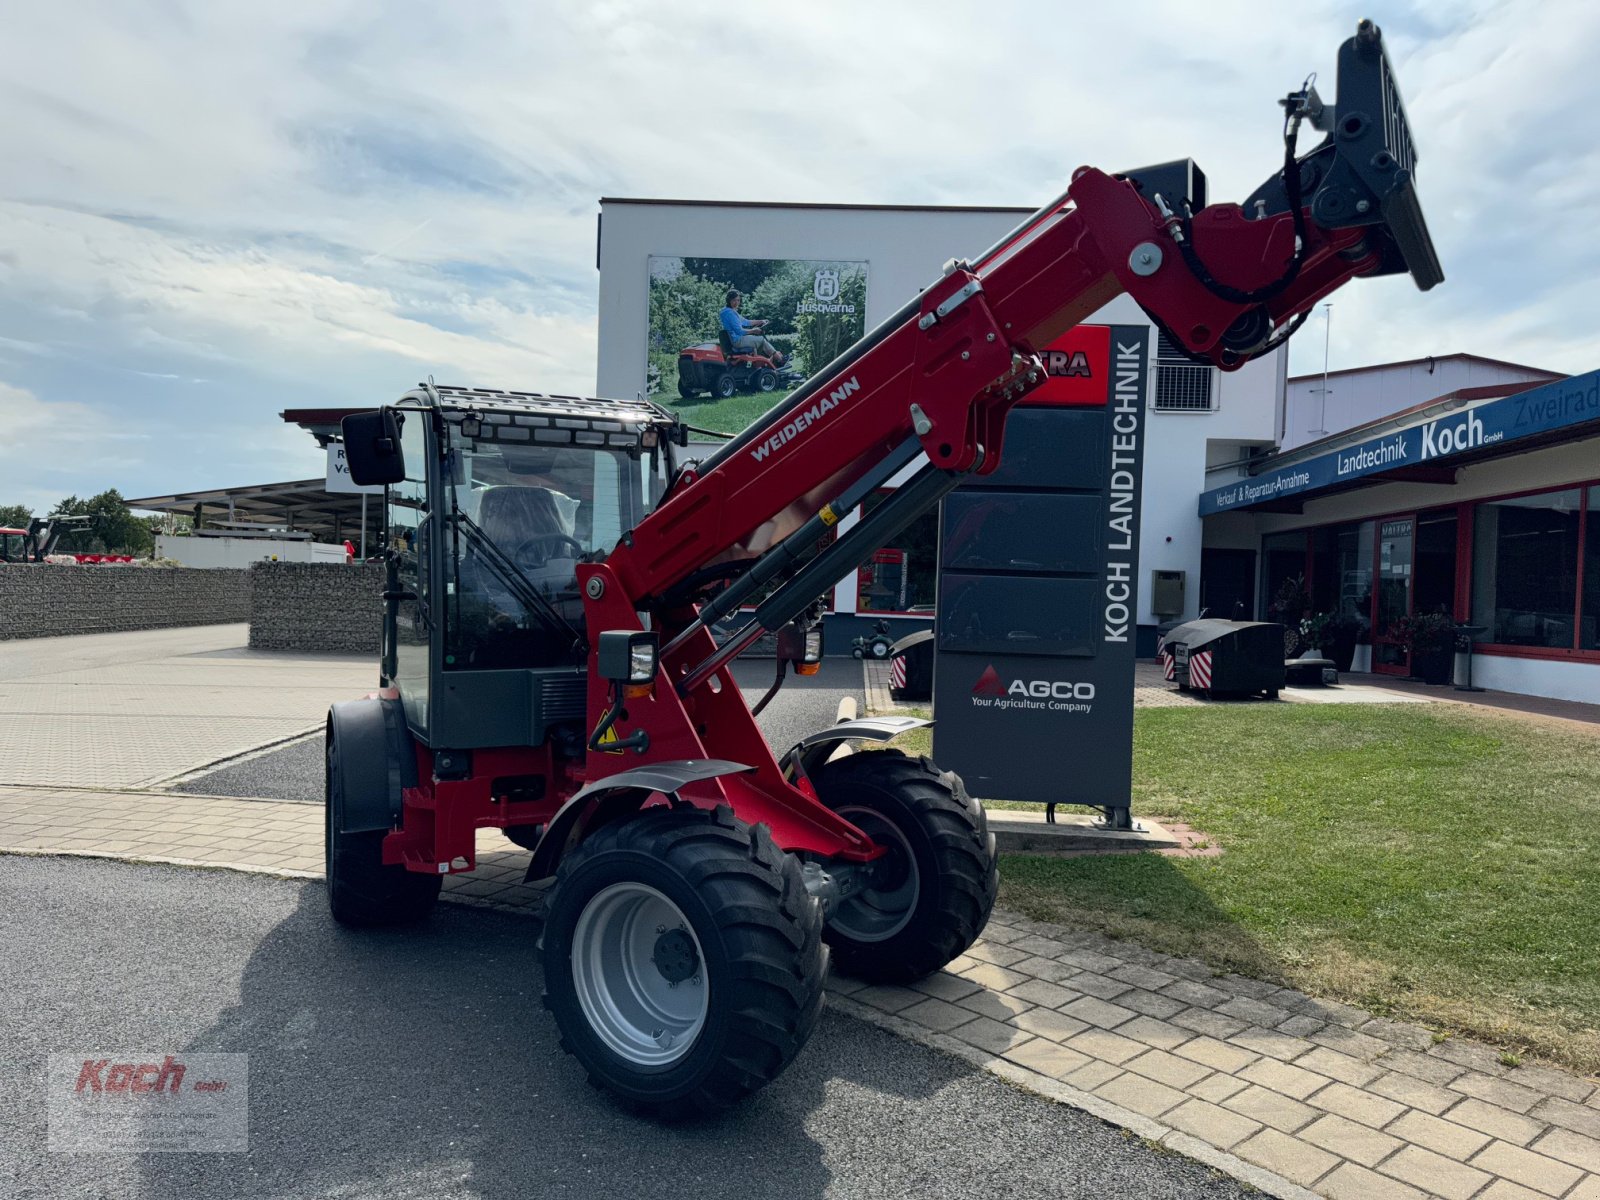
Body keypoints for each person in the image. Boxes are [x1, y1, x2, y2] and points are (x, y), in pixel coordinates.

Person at [718, 290, 787, 366]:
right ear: (729, 300)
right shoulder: (730, 313)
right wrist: (753, 330)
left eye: (738, 300)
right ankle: (779, 359)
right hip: (738, 340)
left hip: (735, 340)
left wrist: (760, 321)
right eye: (734, 300)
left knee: (755, 341)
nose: (736, 303)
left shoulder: (727, 311)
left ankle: (761, 364)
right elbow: (739, 331)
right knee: (761, 340)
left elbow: (746, 322)